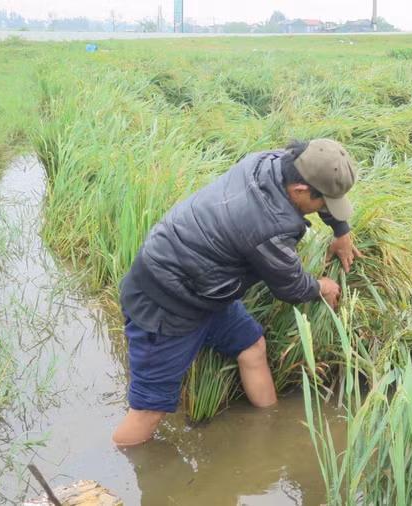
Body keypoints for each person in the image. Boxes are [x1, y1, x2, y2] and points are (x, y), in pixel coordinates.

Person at [112, 139, 362, 446]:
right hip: (164, 303)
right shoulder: (267, 224)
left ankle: (268, 434)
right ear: (299, 190)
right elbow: (292, 286)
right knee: (149, 411)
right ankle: (116, 469)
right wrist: (320, 287)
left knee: (252, 347)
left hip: (206, 289)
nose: (325, 209)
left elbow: (317, 195)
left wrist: (342, 233)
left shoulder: (271, 162)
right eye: (323, 203)